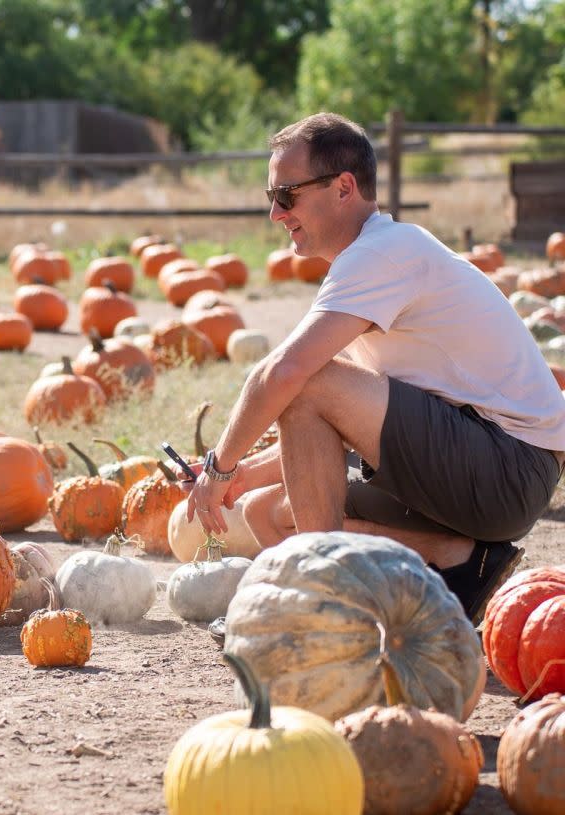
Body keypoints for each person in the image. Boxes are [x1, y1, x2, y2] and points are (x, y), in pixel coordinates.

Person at [185, 111, 565, 626]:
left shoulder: (383, 254)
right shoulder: (367, 262)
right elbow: (332, 420)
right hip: (478, 468)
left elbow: (286, 375)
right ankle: (457, 561)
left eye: (286, 195)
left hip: (508, 468)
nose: (276, 214)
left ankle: (323, 596)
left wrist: (219, 468)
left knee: (305, 376)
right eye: (271, 198)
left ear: (344, 187)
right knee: (264, 512)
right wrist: (241, 479)